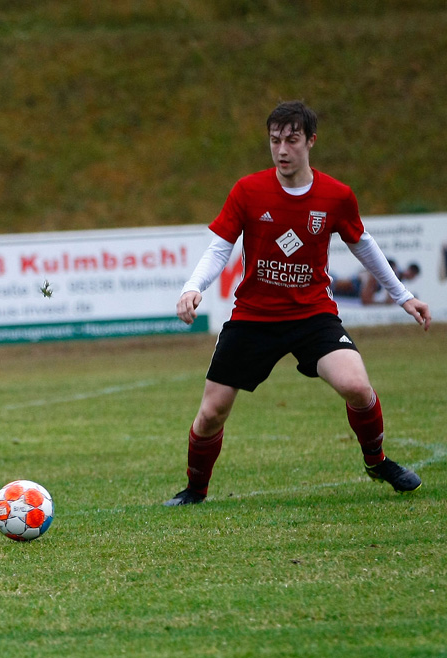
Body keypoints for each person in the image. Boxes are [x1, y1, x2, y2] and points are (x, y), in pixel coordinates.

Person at [166, 100, 431, 507]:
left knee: (357, 387)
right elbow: (220, 248)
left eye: (291, 140)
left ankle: (376, 461)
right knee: (211, 413)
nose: (282, 150)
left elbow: (363, 245)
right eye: (275, 141)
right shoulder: (248, 190)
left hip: (313, 315)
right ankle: (195, 491)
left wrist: (404, 296)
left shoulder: (336, 196)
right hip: (253, 317)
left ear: (310, 141)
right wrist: (191, 286)